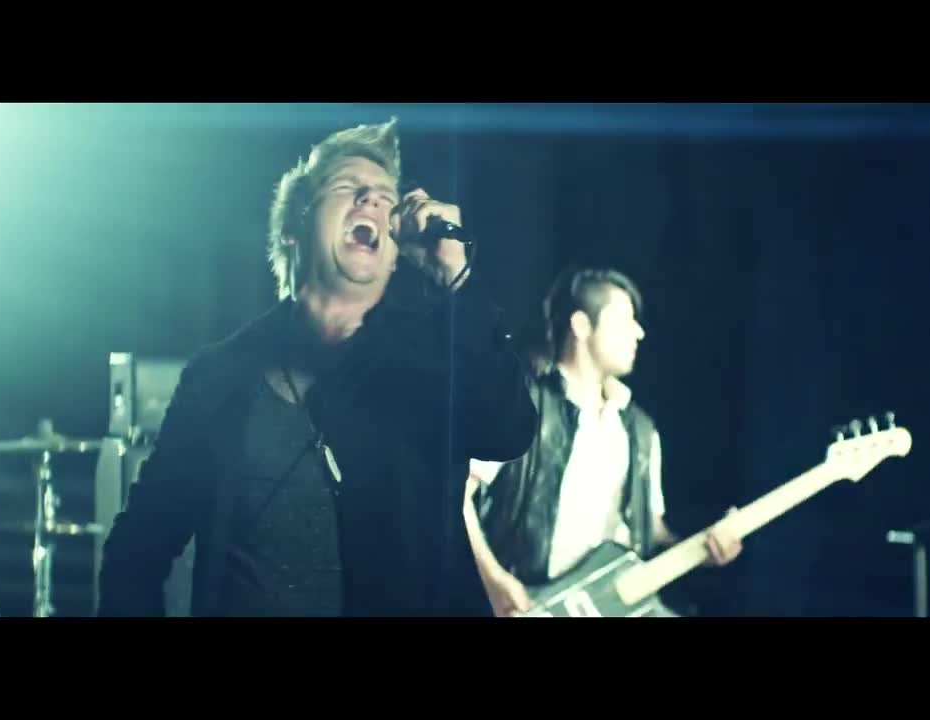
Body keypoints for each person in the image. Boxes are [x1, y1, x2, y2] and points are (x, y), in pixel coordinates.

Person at [97, 117, 537, 617]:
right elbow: (138, 546)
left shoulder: (434, 358)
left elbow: (508, 432)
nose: (372, 200)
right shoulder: (218, 376)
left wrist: (454, 277)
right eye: (347, 187)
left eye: (386, 198)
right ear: (293, 228)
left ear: (394, 255)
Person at [464, 266, 742, 617]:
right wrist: (492, 579)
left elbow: (651, 529)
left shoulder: (640, 430)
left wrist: (706, 548)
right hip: (532, 605)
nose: (639, 332)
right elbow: (456, 497)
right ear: (582, 326)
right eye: (625, 320)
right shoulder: (523, 405)